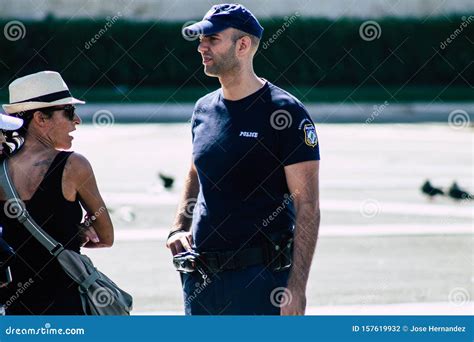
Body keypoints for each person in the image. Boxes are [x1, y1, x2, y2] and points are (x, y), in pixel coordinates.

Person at [167, 4, 321, 315]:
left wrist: (296, 288)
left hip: (260, 281)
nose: (201, 47)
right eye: (200, 40)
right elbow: (196, 170)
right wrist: (179, 225)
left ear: (243, 45)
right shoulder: (203, 109)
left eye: (212, 39)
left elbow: (308, 206)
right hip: (200, 279)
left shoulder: (285, 112)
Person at [0, 71, 114, 315]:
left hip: (13, 306)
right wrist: (76, 233)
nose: (77, 121)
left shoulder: (1, 166)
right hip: (66, 304)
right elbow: (106, 236)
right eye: (69, 112)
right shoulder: (74, 166)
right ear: (41, 118)